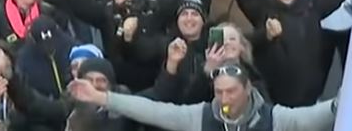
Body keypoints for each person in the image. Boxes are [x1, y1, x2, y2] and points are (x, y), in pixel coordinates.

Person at [69, 62, 336, 131]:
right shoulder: (202, 117)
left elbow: (314, 117)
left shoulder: (274, 119)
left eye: (230, 91)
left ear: (248, 89)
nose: (224, 98)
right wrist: (103, 98)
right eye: (218, 92)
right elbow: (153, 110)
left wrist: (340, 103)